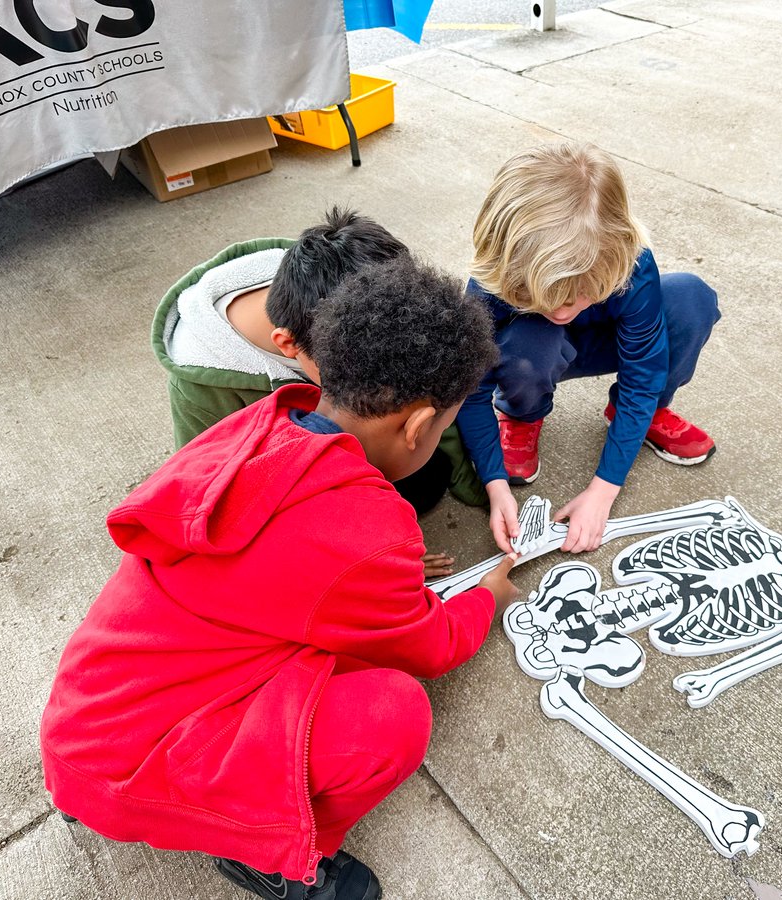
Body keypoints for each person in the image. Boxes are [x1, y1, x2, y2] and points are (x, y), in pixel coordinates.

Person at [41, 255, 519, 900]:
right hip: (133, 771)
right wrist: (484, 599)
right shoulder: (365, 528)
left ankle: (123, 797)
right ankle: (272, 855)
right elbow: (429, 647)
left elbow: (293, 576)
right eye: (446, 421)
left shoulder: (258, 426)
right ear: (414, 424)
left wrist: (387, 583)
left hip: (87, 726)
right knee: (394, 715)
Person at [457, 142, 722, 555]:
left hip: (607, 342)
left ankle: (646, 416)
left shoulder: (632, 263)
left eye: (583, 293)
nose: (562, 310)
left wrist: (604, 490)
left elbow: (642, 375)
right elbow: (471, 387)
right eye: (543, 296)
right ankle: (521, 414)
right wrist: (493, 482)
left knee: (691, 298)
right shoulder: (492, 282)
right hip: (535, 352)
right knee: (532, 342)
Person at [152, 208, 485, 519]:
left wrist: (478, 482)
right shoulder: (199, 387)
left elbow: (428, 390)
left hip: (356, 434)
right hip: (291, 488)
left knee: (422, 484)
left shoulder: (346, 284)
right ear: (288, 344)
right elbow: (208, 493)